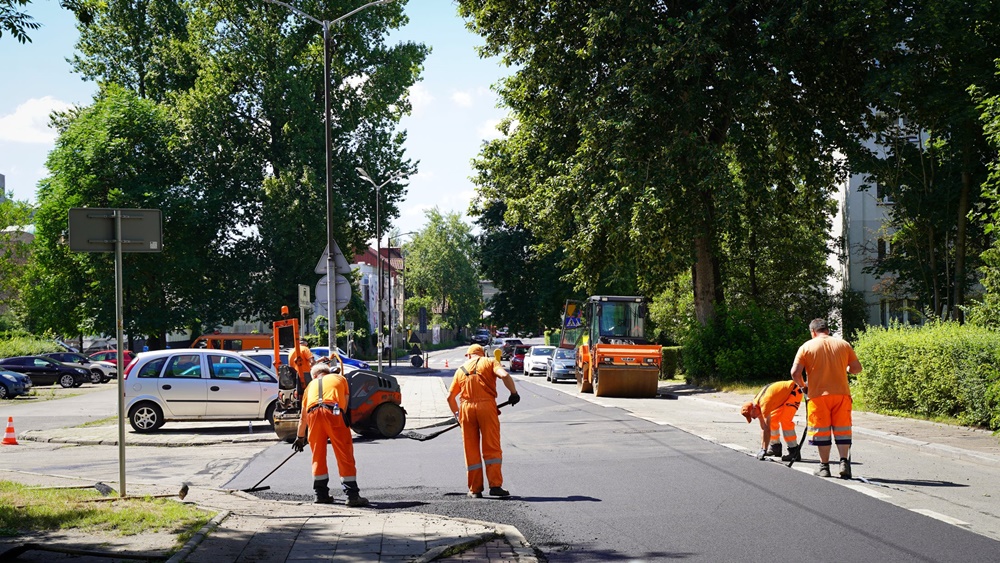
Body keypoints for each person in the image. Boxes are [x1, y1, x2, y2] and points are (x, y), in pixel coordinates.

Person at [790, 318, 863, 479]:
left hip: (818, 396)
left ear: (812, 332)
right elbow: (857, 368)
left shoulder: (806, 347)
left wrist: (803, 386)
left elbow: (795, 373)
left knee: (821, 432)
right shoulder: (843, 344)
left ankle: (824, 466)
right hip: (842, 394)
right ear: (827, 330)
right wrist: (846, 368)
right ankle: (844, 463)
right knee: (843, 430)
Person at [447, 343, 520, 498]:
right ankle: (495, 486)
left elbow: (450, 397)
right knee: (491, 446)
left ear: (468, 356)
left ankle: (474, 489)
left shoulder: (460, 369)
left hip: (466, 409)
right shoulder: (490, 362)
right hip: (487, 407)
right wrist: (513, 393)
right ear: (482, 353)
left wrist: (457, 415)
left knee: (470, 449)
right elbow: (505, 376)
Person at [292, 362, 369, 506]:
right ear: (328, 372)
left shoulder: (310, 386)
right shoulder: (340, 379)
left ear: (314, 376)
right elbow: (344, 406)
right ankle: (352, 496)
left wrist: (300, 437)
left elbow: (303, 417)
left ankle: (320, 494)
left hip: (313, 415)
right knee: (344, 454)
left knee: (318, 455)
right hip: (333, 412)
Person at [741, 380, 803, 462]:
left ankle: (794, 451)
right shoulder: (757, 405)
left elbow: (766, 429)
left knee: (785, 420)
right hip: (783, 397)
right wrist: (762, 448)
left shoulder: (764, 404)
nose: (754, 418)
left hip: (794, 391)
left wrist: (764, 450)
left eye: (752, 416)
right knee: (772, 420)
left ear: (754, 409)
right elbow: (763, 428)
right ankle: (775, 447)